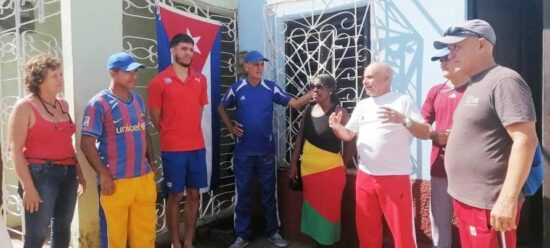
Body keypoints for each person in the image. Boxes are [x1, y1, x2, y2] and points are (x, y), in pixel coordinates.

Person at [434, 19, 538, 248]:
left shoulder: (504, 81)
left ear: (482, 45)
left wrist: (507, 200)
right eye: (449, 48)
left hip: (489, 205)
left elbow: (525, 140)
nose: (450, 54)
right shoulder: (474, 83)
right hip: (466, 199)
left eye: (457, 47)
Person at [329, 61, 430, 248]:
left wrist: (403, 120)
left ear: (386, 77)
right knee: (367, 232)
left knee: (402, 234)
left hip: (394, 177)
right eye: (364, 77)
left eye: (369, 77)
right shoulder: (363, 105)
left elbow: (425, 132)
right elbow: (349, 134)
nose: (364, 82)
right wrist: (336, 127)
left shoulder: (402, 101)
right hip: (365, 177)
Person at [218, 50, 312, 248]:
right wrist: (230, 127)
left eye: (262, 64)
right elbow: (221, 107)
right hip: (243, 153)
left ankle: (273, 232)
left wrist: (312, 94)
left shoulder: (270, 88)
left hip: (266, 153)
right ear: (246, 67)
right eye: (256, 64)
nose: (260, 68)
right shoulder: (237, 88)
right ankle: (242, 236)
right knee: (243, 194)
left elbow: (294, 104)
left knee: (269, 194)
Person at [7, 54, 86, 248]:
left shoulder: (63, 105)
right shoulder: (24, 107)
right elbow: (15, 150)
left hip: (68, 173)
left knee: (62, 229)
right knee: (37, 234)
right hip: (40, 175)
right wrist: (28, 187)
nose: (60, 79)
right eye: (54, 76)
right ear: (39, 80)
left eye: (60, 74)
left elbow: (67, 142)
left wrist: (80, 174)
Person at [80, 52, 157, 248]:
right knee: (115, 238)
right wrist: (103, 175)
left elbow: (145, 133)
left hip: (143, 179)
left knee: (145, 235)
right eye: (128, 72)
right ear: (112, 74)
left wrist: (152, 163)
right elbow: (87, 144)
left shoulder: (139, 100)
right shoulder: (98, 104)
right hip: (116, 182)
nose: (134, 76)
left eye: (136, 71)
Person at [147, 33, 208, 248]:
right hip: (173, 150)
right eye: (184, 49)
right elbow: (156, 118)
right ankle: (175, 241)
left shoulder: (201, 79)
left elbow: (199, 110)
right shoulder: (158, 82)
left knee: (193, 194)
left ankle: (189, 240)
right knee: (174, 195)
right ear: (173, 51)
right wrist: (173, 133)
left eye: (191, 49)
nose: (188, 53)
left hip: (197, 148)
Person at [289, 74, 354, 246]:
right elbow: (300, 138)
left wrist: (343, 163)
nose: (315, 89)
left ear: (331, 90)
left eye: (320, 86)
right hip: (309, 172)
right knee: (312, 211)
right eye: (313, 86)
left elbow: (350, 140)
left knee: (329, 212)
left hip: (331, 172)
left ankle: (327, 243)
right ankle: (316, 243)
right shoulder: (309, 110)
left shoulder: (339, 112)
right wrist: (294, 163)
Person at [420, 48, 470, 248]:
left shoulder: (476, 88)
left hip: (470, 169)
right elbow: (422, 123)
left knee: (470, 222)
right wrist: (434, 135)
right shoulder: (436, 91)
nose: (442, 63)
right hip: (439, 167)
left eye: (446, 59)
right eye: (439, 60)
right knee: (440, 220)